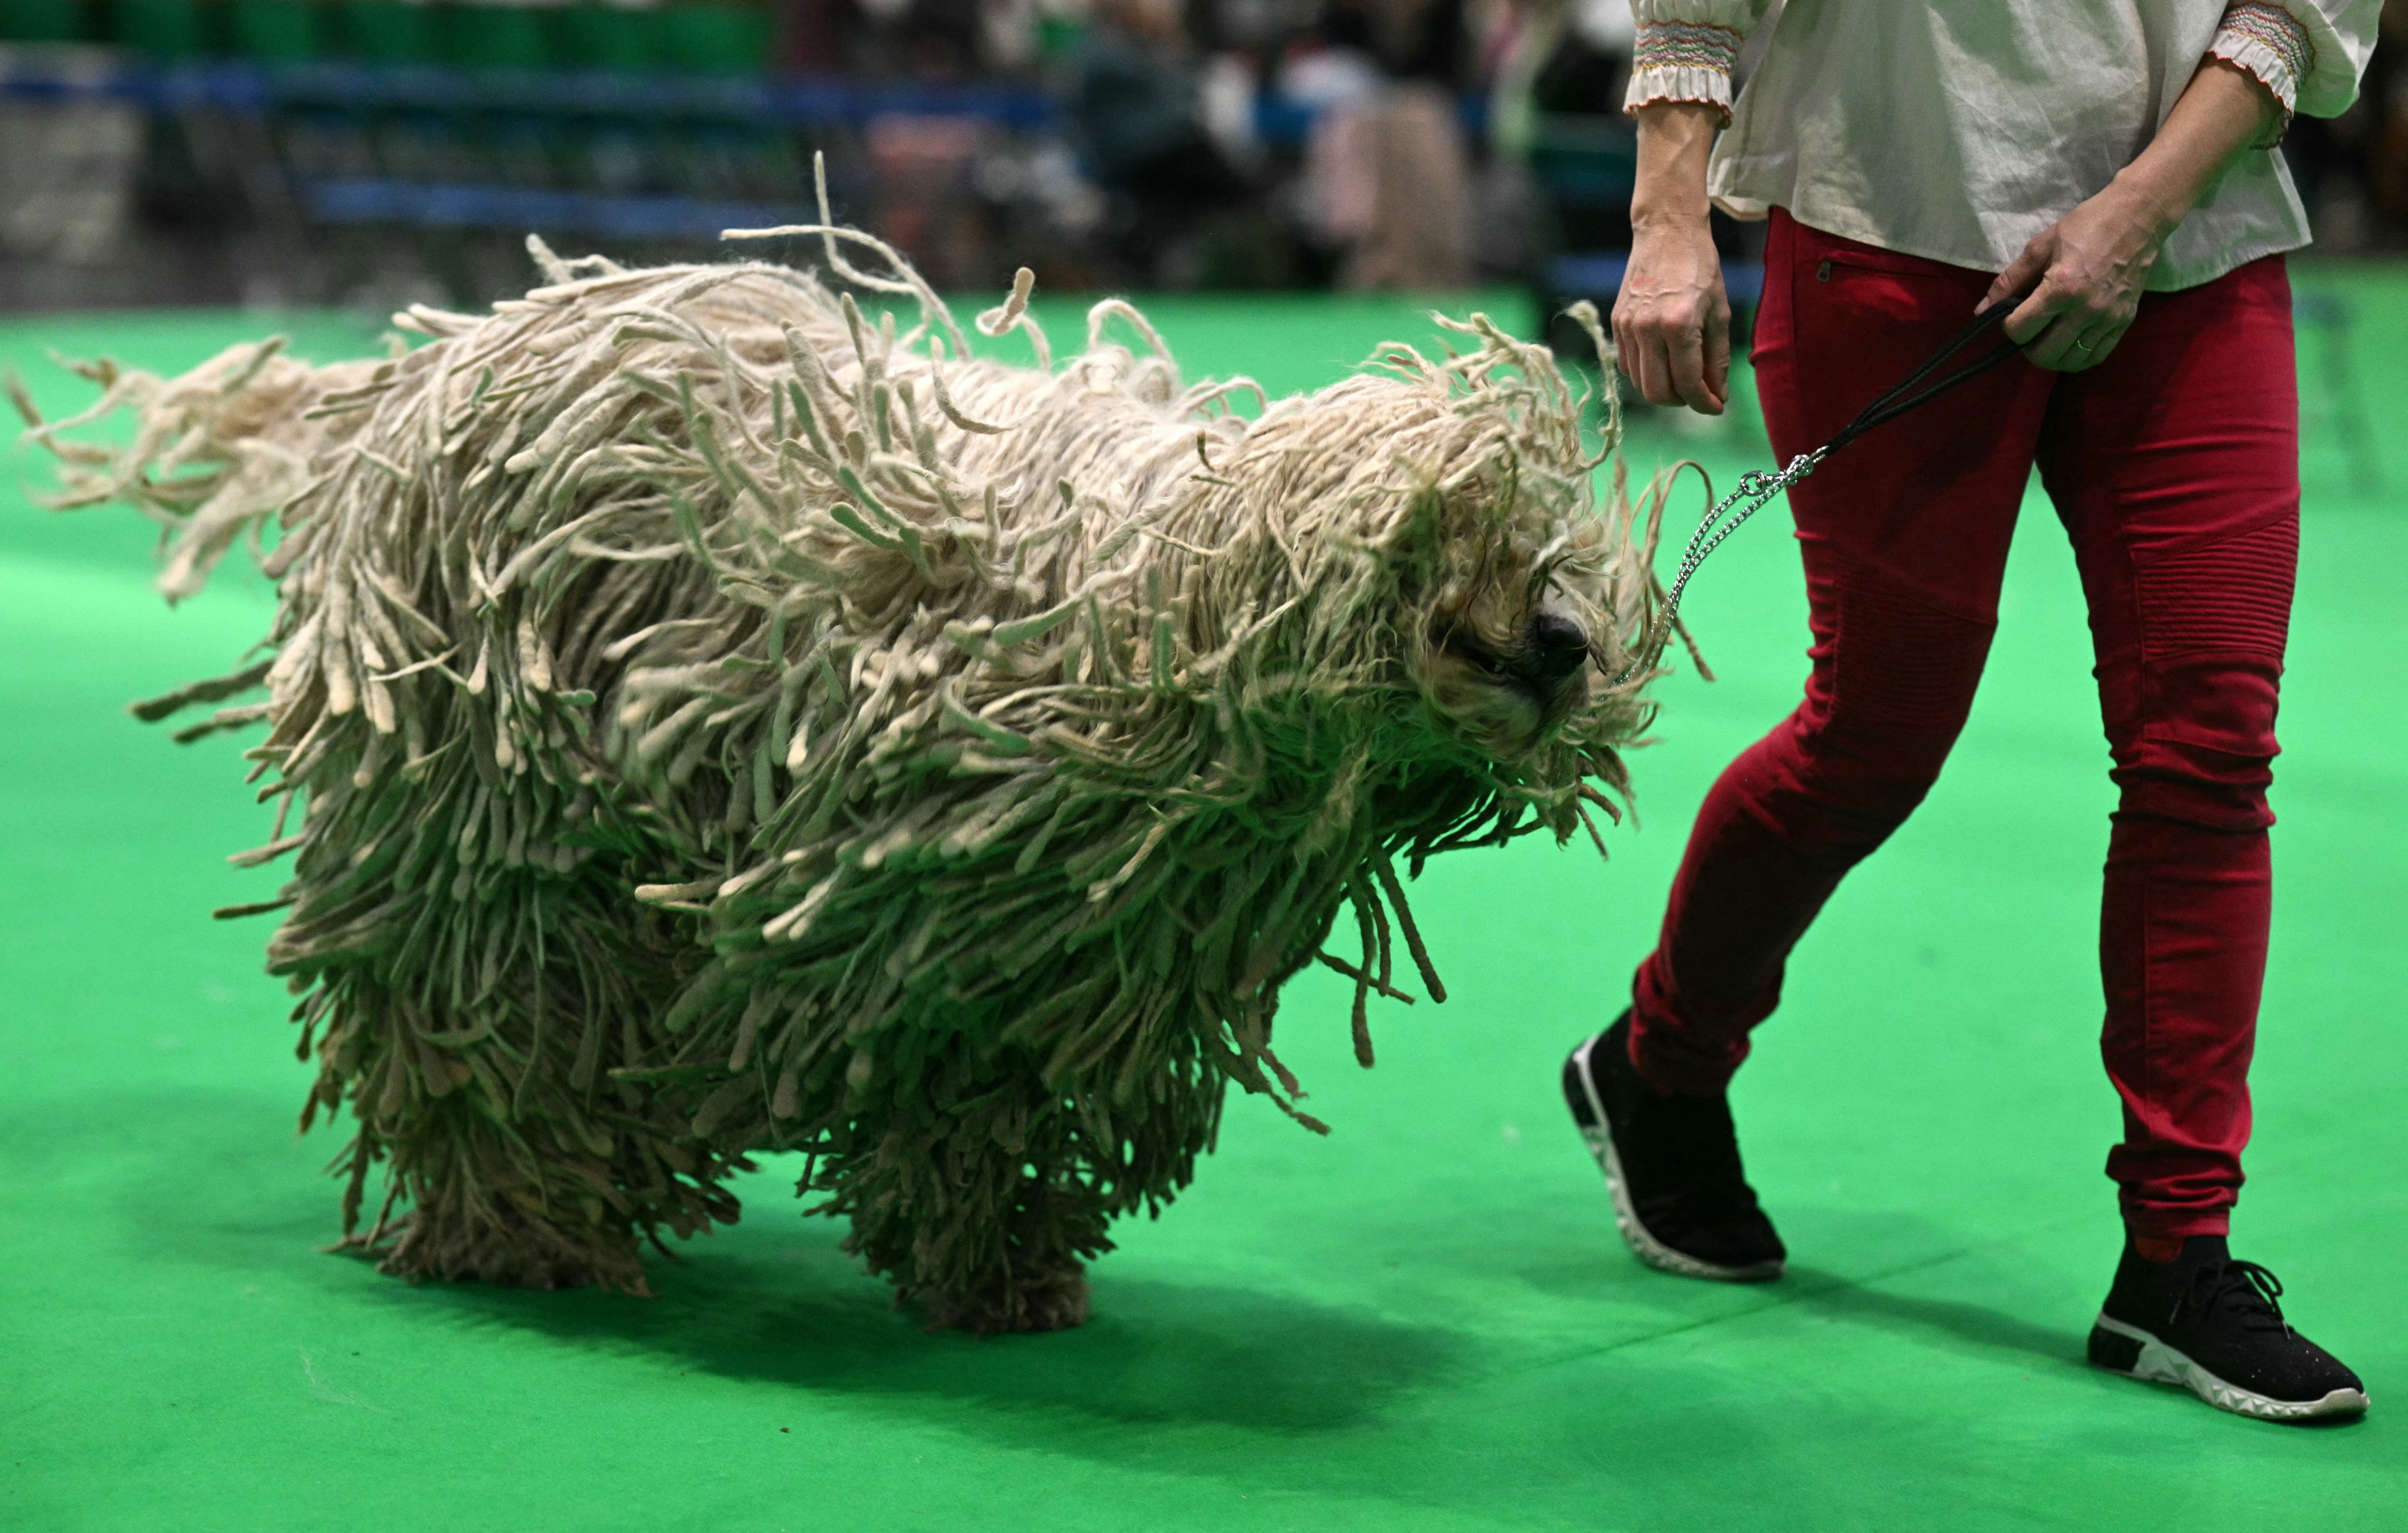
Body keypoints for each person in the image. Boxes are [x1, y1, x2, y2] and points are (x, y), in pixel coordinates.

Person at [1560, 0, 2381, 1423]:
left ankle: (2177, 1256)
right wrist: (1670, 215)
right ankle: (1662, 1063)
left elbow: (2298, 10)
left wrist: (2135, 212)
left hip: (2193, 241)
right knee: (1874, 734)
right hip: (1887, 221)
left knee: (2210, 752)